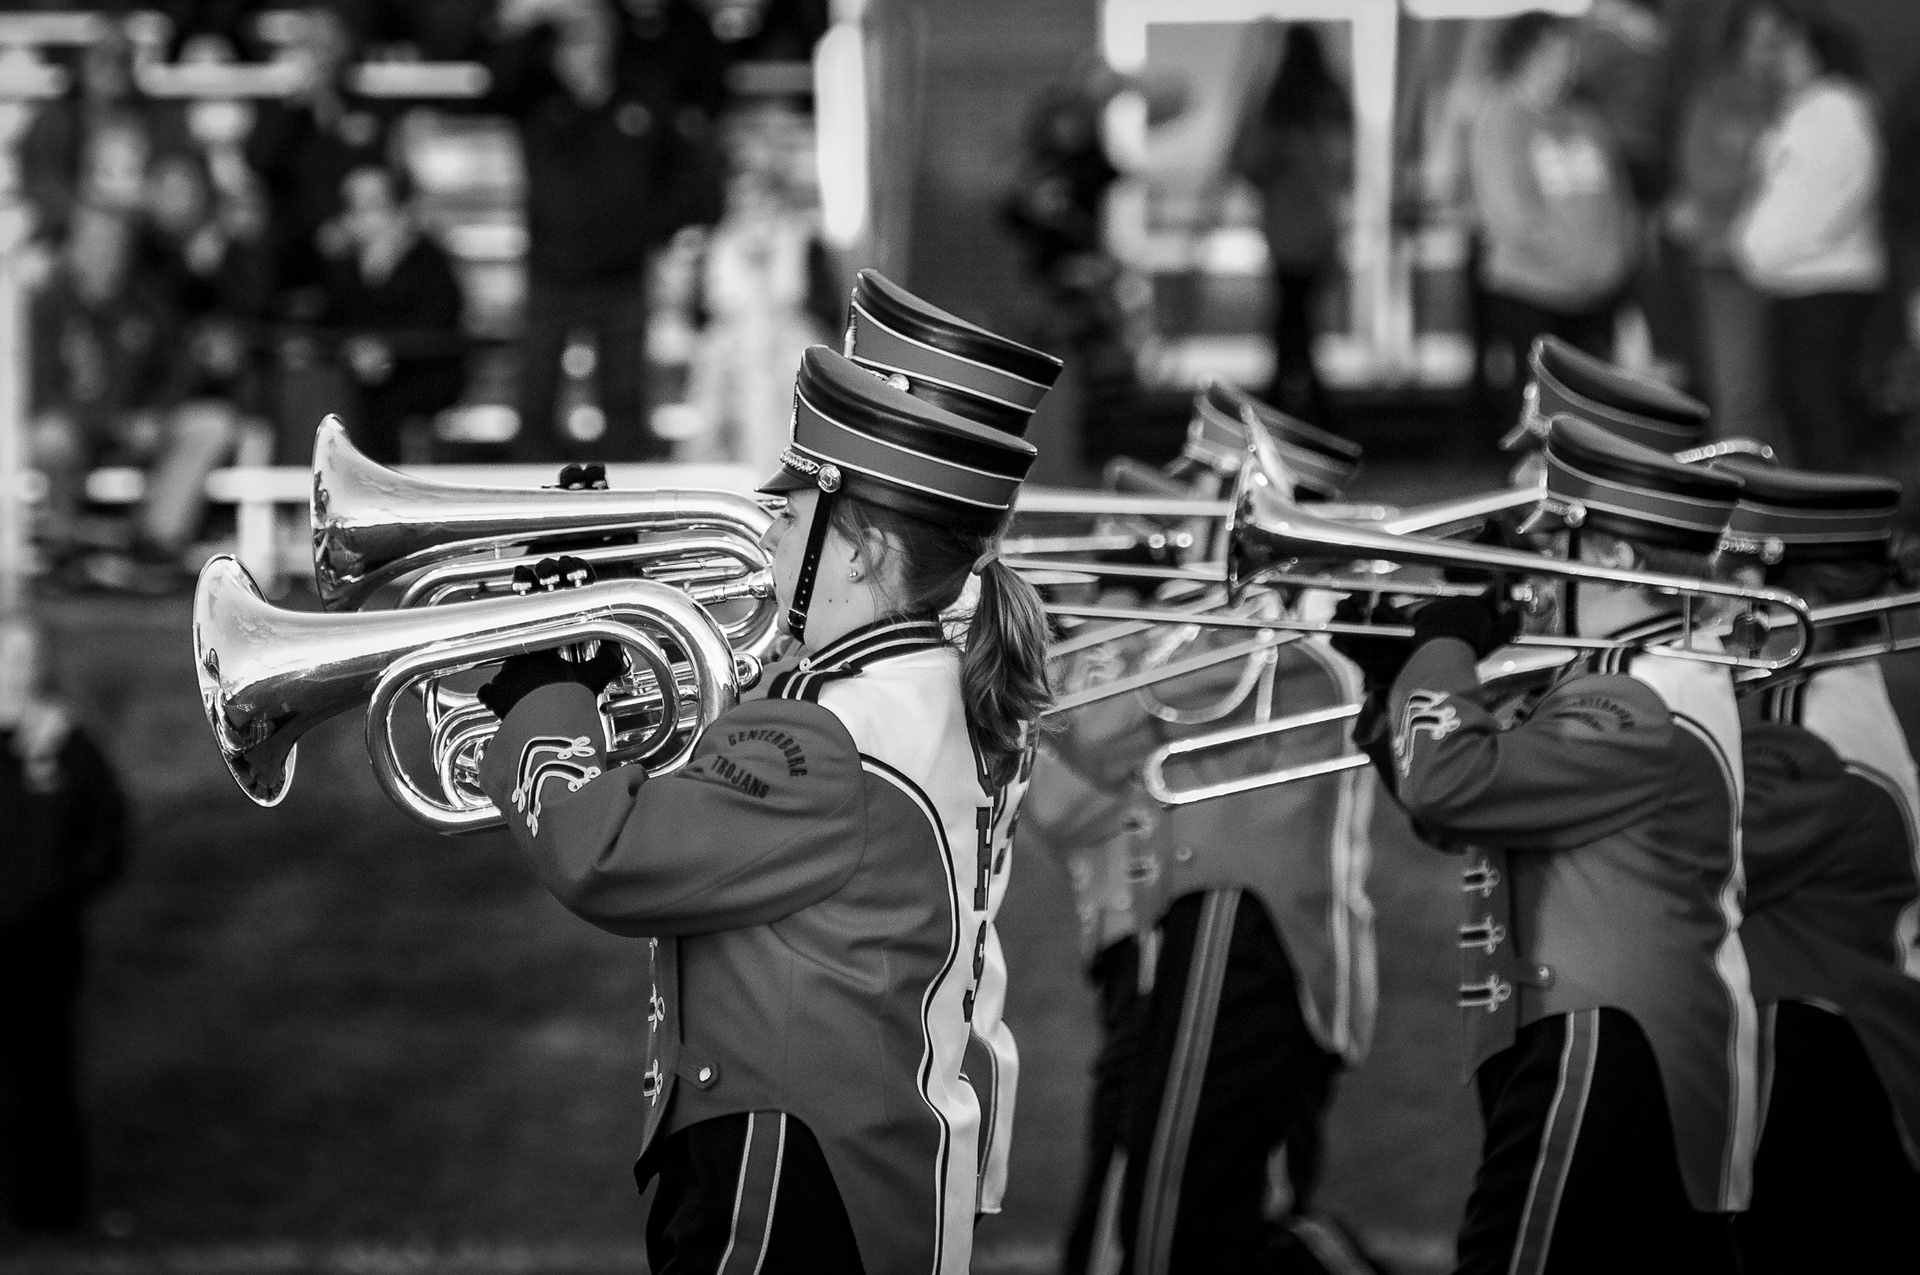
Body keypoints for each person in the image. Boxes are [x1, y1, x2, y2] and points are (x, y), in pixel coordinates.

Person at [472, 345, 1050, 1272]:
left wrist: (548, 684)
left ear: (857, 553)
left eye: (788, 522)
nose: (768, 543)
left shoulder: (837, 738)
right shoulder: (913, 688)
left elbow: (603, 854)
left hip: (789, 1166)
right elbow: (725, 778)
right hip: (844, 1150)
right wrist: (617, 615)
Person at [1347, 416, 1757, 1273]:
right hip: (1608, 1033)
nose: (1532, 569)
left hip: (1609, 1037)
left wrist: (1442, 644)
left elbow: (1451, 783)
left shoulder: (1644, 697)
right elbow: (1456, 811)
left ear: (1607, 559)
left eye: (1551, 538)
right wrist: (1398, 675)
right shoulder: (1616, 680)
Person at [1035, 381, 1378, 1275]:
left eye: (1205, 481)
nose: (1180, 504)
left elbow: (1101, 734)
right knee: (1171, 1228)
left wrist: (1007, 629)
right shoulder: (1228, 626)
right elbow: (1078, 786)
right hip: (1215, 928)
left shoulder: (1266, 629)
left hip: (1246, 929)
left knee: (1185, 1228)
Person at [1707, 462, 1920, 1272]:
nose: (1718, 596)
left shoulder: (1812, 725)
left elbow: (1687, 855)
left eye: (1738, 574)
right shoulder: (1818, 696)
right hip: (1828, 1035)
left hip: (1832, 1051)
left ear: (1799, 600)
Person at [486, 0, 728, 462]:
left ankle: (622, 510)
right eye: (570, 42)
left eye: (590, 38)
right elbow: (493, 86)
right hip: (550, 273)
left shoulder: (644, 98)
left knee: (625, 408)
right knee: (533, 406)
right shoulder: (536, 101)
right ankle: (535, 504)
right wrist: (531, 19)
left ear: (611, 41)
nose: (580, 51)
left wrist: (650, 229)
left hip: (621, 277)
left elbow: (690, 171)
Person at [0, 616, 128, 1234]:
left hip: (41, 945)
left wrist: (60, 891)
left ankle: (49, 1212)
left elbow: (108, 841)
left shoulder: (69, 744)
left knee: (44, 1076)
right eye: (4, 656)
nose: (14, 671)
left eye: (25, 657)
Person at [30, 202, 234, 592]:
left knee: (211, 423)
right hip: (77, 428)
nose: (103, 254)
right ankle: (62, 549)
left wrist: (157, 415)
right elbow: (40, 389)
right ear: (73, 248)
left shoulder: (145, 301)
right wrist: (107, 421)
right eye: (93, 243)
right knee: (49, 436)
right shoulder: (49, 307)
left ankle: (155, 547)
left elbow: (178, 369)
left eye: (112, 244)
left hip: (141, 426)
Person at [1469, 13, 1638, 437]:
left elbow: (1617, 196)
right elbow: (1510, 212)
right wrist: (1577, 261)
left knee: (1590, 424)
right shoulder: (1504, 116)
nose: (1569, 61)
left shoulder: (1585, 116)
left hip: (1594, 295)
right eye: (1558, 51)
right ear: (1528, 54)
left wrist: (1614, 261)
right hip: (1532, 291)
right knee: (1538, 423)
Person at [1732, 3, 1884, 472]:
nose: (1782, 58)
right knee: (1806, 412)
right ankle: (1826, 520)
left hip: (1826, 283)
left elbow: (1826, 200)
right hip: (1802, 280)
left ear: (1818, 54)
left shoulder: (1835, 110)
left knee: (1819, 415)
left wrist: (1759, 248)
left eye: (1792, 48)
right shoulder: (1809, 111)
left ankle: (1838, 527)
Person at [1667, 3, 1788, 454]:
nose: (1769, 48)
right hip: (1729, 259)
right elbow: (1701, 177)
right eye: (1761, 36)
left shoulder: (1798, 92)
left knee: (1788, 393)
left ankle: (1791, 501)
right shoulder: (1718, 96)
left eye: (1779, 37)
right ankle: (1743, 502)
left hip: (1796, 261)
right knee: (1741, 394)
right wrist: (1768, 170)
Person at [1230, 25, 1352, 430]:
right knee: (1297, 318)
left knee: (1291, 319)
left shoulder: (1280, 109)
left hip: (1289, 228)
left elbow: (1248, 164)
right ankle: (1307, 407)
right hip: (1319, 225)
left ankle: (1291, 408)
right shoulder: (1330, 103)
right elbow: (1342, 169)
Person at [319, 163, 467, 463]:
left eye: (372, 206)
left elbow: (437, 326)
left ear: (401, 210)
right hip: (356, 377)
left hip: (420, 374)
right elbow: (330, 326)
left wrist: (387, 352)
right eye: (353, 207)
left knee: (378, 405)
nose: (361, 218)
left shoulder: (429, 261)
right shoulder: (343, 265)